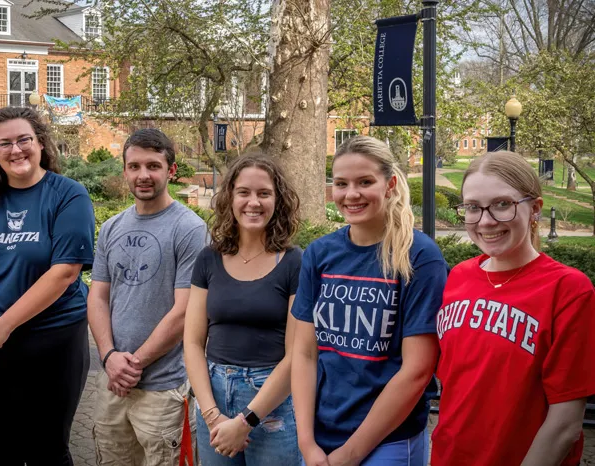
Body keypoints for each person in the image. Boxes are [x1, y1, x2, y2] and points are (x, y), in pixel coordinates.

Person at [0, 106, 95, 465]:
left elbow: (65, 271)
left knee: (47, 452)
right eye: (4, 143)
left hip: (49, 346)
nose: (15, 150)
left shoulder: (68, 195)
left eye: (24, 139)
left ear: (40, 143)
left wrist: (4, 325)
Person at [291, 135, 448, 466]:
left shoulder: (419, 256)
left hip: (387, 440)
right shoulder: (319, 253)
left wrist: (351, 453)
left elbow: (417, 370)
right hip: (320, 436)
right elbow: (304, 353)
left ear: (389, 184)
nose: (351, 194)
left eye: (365, 182)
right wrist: (306, 442)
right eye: (341, 183)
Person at [431, 151, 595, 466]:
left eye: (502, 204)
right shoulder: (459, 277)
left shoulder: (569, 290)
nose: (486, 220)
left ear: (534, 209)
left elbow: (565, 424)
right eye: (472, 208)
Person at [88, 128, 208, 465]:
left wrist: (134, 364)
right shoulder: (112, 227)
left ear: (171, 170)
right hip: (113, 382)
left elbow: (184, 312)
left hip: (164, 390)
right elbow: (98, 297)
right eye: (135, 166)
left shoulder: (189, 228)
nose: (143, 175)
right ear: (124, 170)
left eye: (153, 166)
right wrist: (110, 357)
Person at [184, 152, 303, 465]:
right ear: (229, 198)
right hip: (214, 394)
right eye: (244, 192)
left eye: (264, 193)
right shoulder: (208, 258)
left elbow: (297, 355)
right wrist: (212, 416)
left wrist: (246, 420)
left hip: (271, 402)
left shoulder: (293, 262)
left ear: (278, 200)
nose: (254, 202)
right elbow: (193, 343)